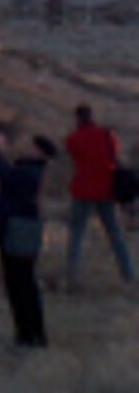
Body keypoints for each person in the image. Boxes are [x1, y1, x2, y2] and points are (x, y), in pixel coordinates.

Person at [0, 132, 57, 348]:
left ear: (38, 151)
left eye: (31, 145)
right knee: (21, 284)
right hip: (20, 231)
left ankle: (29, 336)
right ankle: (30, 334)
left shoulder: (30, 172)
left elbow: (3, 173)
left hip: (18, 232)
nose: (25, 146)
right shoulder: (31, 169)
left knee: (20, 285)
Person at [64, 104, 136, 288]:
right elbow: (116, 152)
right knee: (114, 233)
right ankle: (129, 275)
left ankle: (72, 277)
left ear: (77, 118)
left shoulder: (73, 138)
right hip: (106, 190)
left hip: (82, 190)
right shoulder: (106, 135)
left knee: (76, 234)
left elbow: (73, 155)